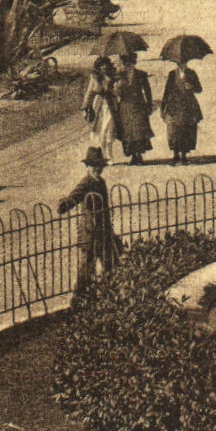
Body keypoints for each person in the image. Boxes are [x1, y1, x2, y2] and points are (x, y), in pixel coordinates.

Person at [58, 146, 120, 292]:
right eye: (94, 166)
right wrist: (64, 204)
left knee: (110, 262)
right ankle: (79, 295)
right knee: (87, 265)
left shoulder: (101, 182)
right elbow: (75, 196)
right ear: (88, 167)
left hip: (103, 229)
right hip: (90, 230)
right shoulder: (86, 182)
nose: (97, 169)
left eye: (100, 166)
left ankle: (110, 291)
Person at [113, 53, 155, 164]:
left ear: (133, 63)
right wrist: (118, 88)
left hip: (138, 105)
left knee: (139, 130)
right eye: (125, 63)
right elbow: (115, 93)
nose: (127, 65)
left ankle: (139, 155)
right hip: (125, 106)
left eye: (130, 63)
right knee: (127, 131)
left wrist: (149, 104)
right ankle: (132, 155)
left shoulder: (141, 74)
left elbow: (147, 90)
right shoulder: (119, 76)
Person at [160, 58, 203, 164]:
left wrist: (192, 87)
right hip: (174, 106)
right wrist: (163, 108)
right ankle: (175, 156)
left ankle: (184, 156)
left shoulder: (192, 73)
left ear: (186, 62)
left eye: (183, 62)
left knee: (186, 130)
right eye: (179, 63)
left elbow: (199, 89)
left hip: (188, 105)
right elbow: (167, 91)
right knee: (174, 130)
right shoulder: (172, 74)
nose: (181, 64)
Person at [82, 57, 121, 159]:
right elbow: (89, 93)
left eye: (105, 65)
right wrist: (85, 107)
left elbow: (118, 92)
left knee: (109, 128)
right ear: (98, 67)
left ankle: (109, 153)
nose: (104, 67)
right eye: (101, 65)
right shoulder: (95, 78)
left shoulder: (113, 77)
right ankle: (103, 154)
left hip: (111, 105)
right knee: (100, 131)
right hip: (98, 105)